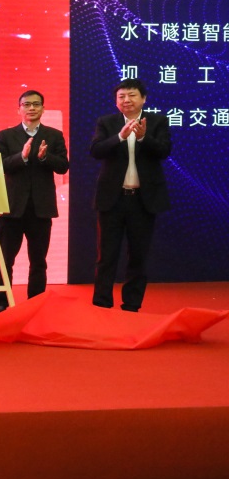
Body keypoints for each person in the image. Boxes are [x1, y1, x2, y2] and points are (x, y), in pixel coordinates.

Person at [90, 78, 171, 312]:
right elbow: (95, 150)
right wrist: (120, 137)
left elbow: (164, 151)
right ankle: (102, 303)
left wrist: (144, 137)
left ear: (143, 98)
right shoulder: (106, 122)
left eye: (132, 95)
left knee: (138, 255)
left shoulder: (157, 121)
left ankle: (132, 304)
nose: (126, 100)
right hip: (112, 200)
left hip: (143, 200)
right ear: (116, 101)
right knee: (106, 255)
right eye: (121, 96)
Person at [0, 90, 69, 313]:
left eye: (36, 104)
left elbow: (63, 166)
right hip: (12, 208)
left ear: (43, 109)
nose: (32, 108)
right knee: (5, 259)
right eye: (26, 104)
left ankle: (36, 303)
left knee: (38, 260)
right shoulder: (6, 135)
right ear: (19, 109)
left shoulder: (54, 135)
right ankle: (1, 302)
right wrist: (23, 157)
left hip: (41, 208)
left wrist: (45, 157)